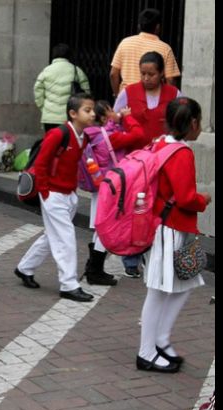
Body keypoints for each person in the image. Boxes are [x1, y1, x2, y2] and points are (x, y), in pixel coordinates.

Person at [136, 97, 211, 373]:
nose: (200, 126)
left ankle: (161, 342)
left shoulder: (160, 144)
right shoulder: (181, 153)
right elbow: (185, 197)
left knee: (181, 285)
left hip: (165, 227)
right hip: (171, 229)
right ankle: (146, 351)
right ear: (192, 123)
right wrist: (203, 200)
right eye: (199, 121)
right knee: (158, 292)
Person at [14, 94, 96, 302]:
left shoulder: (83, 136)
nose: (92, 114)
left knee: (52, 236)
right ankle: (69, 285)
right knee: (66, 238)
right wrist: (45, 191)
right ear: (73, 113)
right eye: (87, 110)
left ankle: (25, 268)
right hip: (53, 194)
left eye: (92, 110)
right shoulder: (58, 134)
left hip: (68, 194)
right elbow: (41, 163)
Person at [114, 51, 182, 277]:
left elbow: (180, 123)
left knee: (158, 208)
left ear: (162, 73)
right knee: (136, 209)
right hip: (136, 163)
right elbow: (115, 121)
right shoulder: (128, 92)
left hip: (164, 162)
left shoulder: (174, 94)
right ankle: (131, 259)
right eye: (143, 74)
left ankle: (152, 251)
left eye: (151, 74)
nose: (146, 78)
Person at [82, 100, 144, 285]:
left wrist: (116, 120)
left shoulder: (94, 134)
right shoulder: (110, 137)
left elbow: (110, 130)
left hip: (98, 185)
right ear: (102, 117)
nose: (115, 111)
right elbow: (138, 134)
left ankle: (93, 267)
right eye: (110, 110)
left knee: (100, 227)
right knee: (105, 228)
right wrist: (127, 117)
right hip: (110, 188)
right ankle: (94, 270)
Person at [110, 8, 181, 96]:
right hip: (153, 98)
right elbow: (170, 79)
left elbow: (113, 74)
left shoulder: (125, 43)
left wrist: (118, 94)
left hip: (127, 97)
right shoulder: (165, 48)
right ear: (158, 27)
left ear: (139, 26)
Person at [34, 43, 91, 133]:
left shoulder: (46, 70)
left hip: (49, 117)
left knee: (51, 144)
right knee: (68, 144)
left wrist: (44, 107)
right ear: (69, 55)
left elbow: (37, 91)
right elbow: (86, 93)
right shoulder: (76, 70)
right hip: (69, 117)